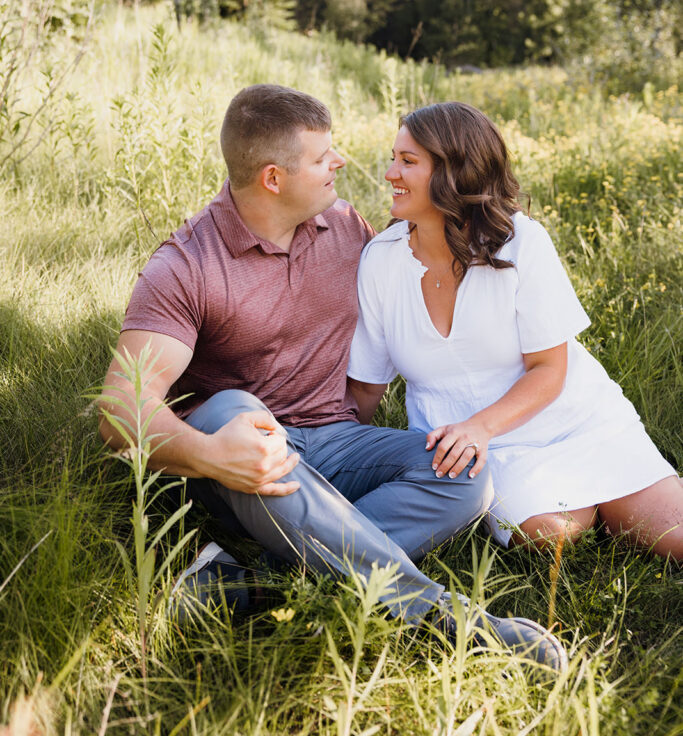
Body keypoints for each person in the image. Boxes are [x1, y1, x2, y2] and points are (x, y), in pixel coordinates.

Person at [98, 84, 568, 670]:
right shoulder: (186, 266)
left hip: (335, 440)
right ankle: (453, 622)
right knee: (232, 407)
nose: (341, 163)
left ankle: (246, 581)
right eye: (323, 158)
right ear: (274, 178)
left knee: (466, 472)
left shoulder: (347, 228)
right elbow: (120, 406)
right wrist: (212, 454)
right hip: (243, 458)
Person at [347, 101, 683, 559]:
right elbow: (366, 384)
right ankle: (592, 509)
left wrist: (481, 426)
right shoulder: (381, 260)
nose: (389, 173)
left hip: (573, 420)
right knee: (550, 533)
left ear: (455, 174)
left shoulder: (522, 242)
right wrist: (340, 461)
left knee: (676, 537)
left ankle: (611, 497)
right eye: (394, 157)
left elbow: (549, 368)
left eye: (407, 162)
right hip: (473, 449)